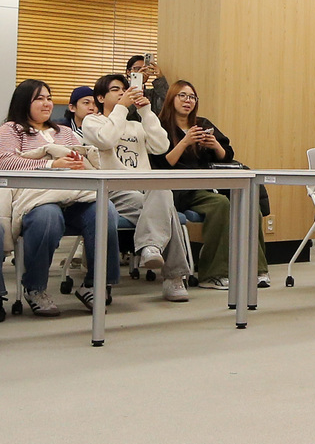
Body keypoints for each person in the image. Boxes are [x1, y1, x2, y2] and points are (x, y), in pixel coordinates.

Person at [0, 79, 120, 316]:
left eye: (49, 98)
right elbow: (5, 162)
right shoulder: (11, 129)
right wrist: (51, 164)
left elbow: (81, 159)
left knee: (105, 210)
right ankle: (35, 288)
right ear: (23, 102)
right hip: (36, 198)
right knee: (47, 216)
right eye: (39, 99)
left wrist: (80, 164)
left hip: (74, 196)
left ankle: (95, 285)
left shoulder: (63, 132)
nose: (47, 104)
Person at [84, 73, 191, 301]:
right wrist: (122, 108)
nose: (122, 93)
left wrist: (146, 112)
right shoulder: (92, 122)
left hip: (143, 189)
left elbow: (161, 146)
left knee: (162, 190)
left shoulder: (137, 125)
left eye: (125, 89)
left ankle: (151, 248)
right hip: (112, 190)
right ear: (100, 98)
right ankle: (173, 277)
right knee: (169, 213)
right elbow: (106, 140)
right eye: (115, 90)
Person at [153, 80, 268, 289]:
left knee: (250, 204)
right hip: (180, 188)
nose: (188, 101)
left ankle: (257, 269)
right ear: (171, 98)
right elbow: (161, 164)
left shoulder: (202, 123)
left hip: (209, 183)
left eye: (192, 97)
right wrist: (185, 142)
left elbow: (227, 156)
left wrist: (215, 146)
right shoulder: (159, 126)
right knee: (221, 204)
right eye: (182, 96)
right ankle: (212, 274)